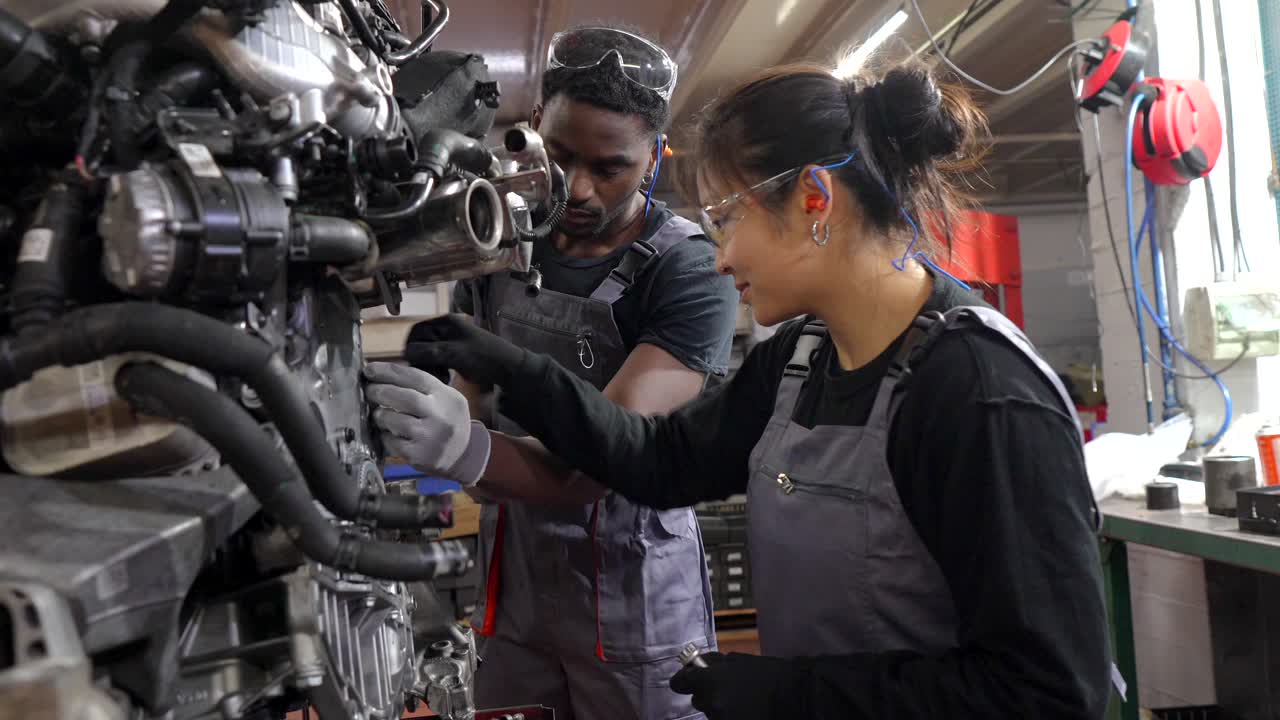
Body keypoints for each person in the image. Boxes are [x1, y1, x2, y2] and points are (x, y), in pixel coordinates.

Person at [392, 59, 1114, 719]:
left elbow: (1046, 692)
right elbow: (660, 460)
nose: (720, 256)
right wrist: (516, 370)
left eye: (727, 218)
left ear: (814, 198)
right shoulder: (801, 359)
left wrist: (785, 694)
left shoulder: (978, 394)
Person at [365, 25, 738, 720]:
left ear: (655, 156)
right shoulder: (498, 240)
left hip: (634, 593)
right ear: (534, 123)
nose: (580, 189)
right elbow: (472, 402)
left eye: (611, 167)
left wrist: (464, 448)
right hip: (517, 582)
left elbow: (612, 458)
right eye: (560, 156)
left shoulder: (690, 272)